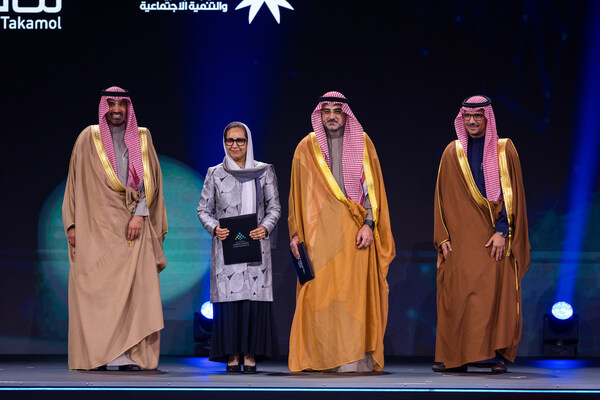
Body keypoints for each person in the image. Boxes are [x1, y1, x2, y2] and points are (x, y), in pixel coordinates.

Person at [288, 91, 395, 372]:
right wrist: (296, 234)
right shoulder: (306, 147)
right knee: (320, 296)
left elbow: (372, 190)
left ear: (346, 114)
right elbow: (296, 195)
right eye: (326, 111)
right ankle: (321, 358)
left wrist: (369, 225)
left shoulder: (362, 142)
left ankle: (351, 360)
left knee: (352, 297)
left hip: (354, 233)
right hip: (318, 236)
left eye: (337, 111)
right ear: (319, 114)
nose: (332, 116)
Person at [62, 86, 167, 371]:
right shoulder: (88, 137)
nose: (116, 110)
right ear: (103, 107)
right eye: (111, 104)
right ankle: (98, 355)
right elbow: (74, 181)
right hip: (95, 227)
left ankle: (130, 356)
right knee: (95, 291)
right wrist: (72, 223)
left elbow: (151, 181)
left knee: (136, 291)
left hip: (133, 226)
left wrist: (140, 215)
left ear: (128, 108)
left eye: (122, 105)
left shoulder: (142, 136)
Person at [433, 95, 530, 373]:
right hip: (460, 241)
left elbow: (513, 195)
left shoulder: (504, 149)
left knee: (492, 297)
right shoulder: (452, 152)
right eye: (467, 116)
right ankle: (457, 358)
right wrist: (443, 237)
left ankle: (494, 357)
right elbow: (441, 198)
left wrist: (503, 231)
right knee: (459, 297)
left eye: (477, 116)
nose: (472, 121)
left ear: (488, 118)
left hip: (493, 238)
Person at [197, 122, 281, 373]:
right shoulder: (215, 173)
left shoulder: (263, 171)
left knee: (252, 300)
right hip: (227, 247)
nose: (235, 145)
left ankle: (250, 353)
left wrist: (265, 227)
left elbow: (275, 207)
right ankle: (232, 354)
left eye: (240, 140)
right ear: (224, 143)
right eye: (230, 140)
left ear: (248, 142)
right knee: (230, 301)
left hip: (256, 244)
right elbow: (203, 209)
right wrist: (215, 228)